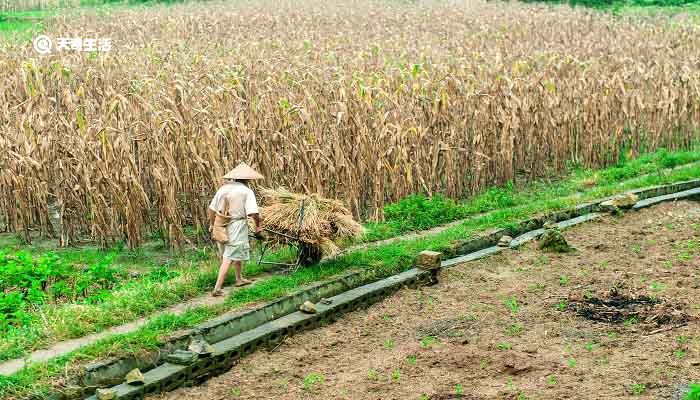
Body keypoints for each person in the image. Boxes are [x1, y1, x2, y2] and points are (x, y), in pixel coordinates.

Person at [208, 162, 264, 296]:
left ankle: (239, 279)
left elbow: (211, 209)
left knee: (231, 253)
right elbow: (253, 213)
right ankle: (217, 288)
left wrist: (211, 224)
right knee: (229, 256)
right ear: (248, 179)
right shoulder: (246, 191)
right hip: (236, 225)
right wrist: (258, 225)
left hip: (220, 224)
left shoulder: (223, 188)